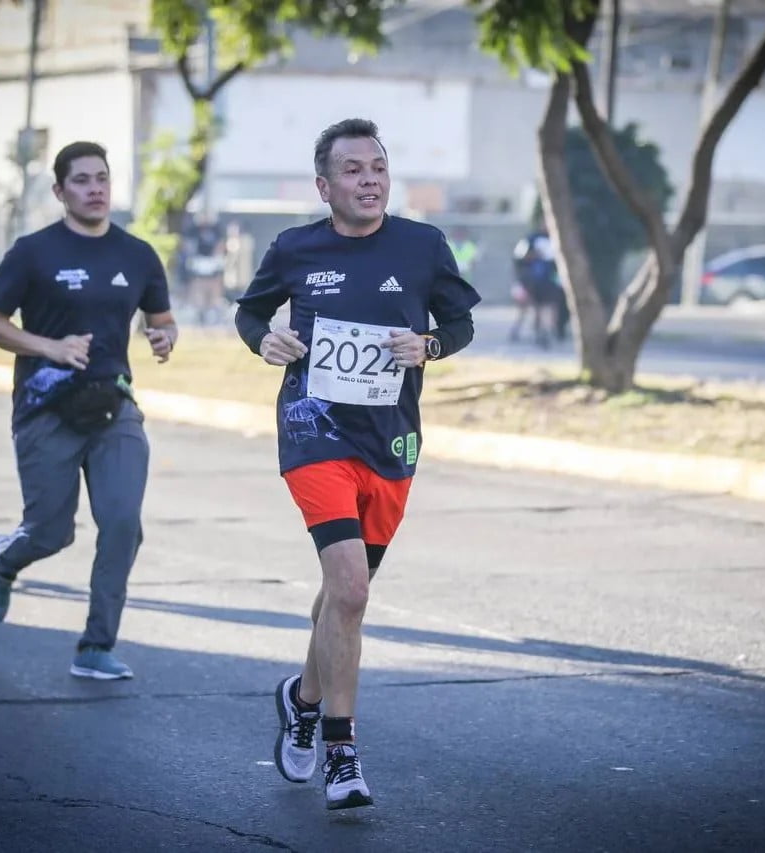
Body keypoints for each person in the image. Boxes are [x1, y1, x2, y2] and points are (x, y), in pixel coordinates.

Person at [235, 118, 480, 811]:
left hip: (391, 439)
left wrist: (428, 346)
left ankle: (302, 696)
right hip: (314, 429)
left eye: (377, 166)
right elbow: (251, 315)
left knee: (344, 594)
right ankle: (341, 752)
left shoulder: (423, 245)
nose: (369, 179)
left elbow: (458, 324)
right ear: (324, 185)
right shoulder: (293, 248)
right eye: (353, 170)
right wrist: (267, 341)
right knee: (350, 588)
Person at [0, 141, 178, 680]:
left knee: (122, 523)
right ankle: (5, 559)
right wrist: (50, 347)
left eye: (102, 178)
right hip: (46, 409)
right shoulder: (33, 252)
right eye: (83, 180)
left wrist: (163, 337)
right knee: (50, 533)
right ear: (61, 191)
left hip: (114, 407)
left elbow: (163, 317)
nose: (95, 188)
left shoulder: (137, 254)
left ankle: (95, 646)